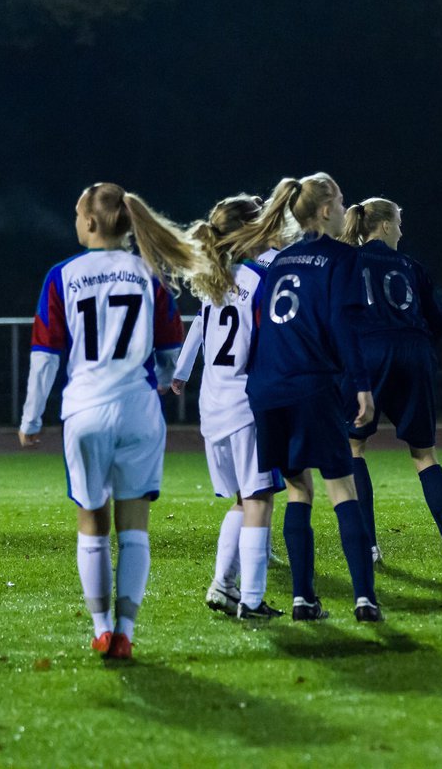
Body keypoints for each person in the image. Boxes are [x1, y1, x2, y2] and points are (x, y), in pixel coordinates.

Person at [19, 182, 193, 660]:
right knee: (134, 526)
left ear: (91, 223)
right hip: (139, 410)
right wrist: (153, 385)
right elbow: (173, 355)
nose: (76, 222)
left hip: (86, 410)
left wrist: (31, 418)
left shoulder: (63, 275)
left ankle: (100, 628)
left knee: (92, 522)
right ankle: (127, 632)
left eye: (77, 215)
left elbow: (44, 356)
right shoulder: (148, 273)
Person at [231, 172, 381, 622]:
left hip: (268, 387)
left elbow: (261, 328)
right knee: (342, 486)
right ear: (324, 209)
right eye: (340, 200)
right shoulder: (342, 258)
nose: (343, 209)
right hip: (310, 383)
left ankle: (302, 598)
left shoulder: (278, 261)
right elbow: (343, 326)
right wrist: (361, 385)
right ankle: (364, 599)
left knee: (298, 488)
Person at [172, 194, 285, 620]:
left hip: (213, 406)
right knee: (259, 499)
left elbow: (204, 330)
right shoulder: (261, 278)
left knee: (243, 499)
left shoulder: (214, 279)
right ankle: (252, 601)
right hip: (246, 406)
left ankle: (224, 586)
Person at [338, 197, 442, 562]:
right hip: (414, 352)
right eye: (399, 221)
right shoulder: (411, 266)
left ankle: (371, 546)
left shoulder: (348, 262)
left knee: (354, 447)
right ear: (384, 226)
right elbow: (441, 319)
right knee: (425, 454)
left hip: (369, 354)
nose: (402, 229)